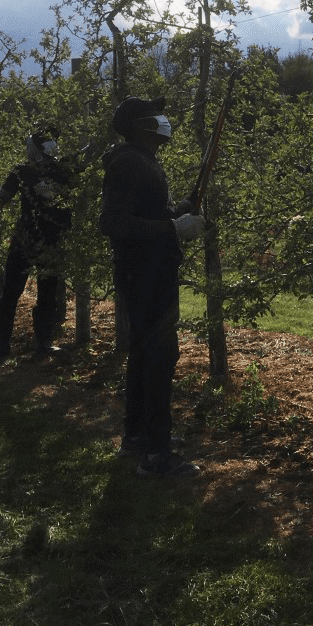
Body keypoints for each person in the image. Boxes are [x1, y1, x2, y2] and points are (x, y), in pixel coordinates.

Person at [99, 96, 206, 479]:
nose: (164, 121)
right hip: (144, 274)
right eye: (156, 116)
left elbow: (144, 214)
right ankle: (157, 455)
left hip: (146, 272)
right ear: (141, 125)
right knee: (159, 356)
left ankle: (136, 438)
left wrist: (177, 211)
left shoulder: (140, 160)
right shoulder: (129, 162)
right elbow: (112, 223)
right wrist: (172, 229)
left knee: (145, 354)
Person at [0, 127, 73, 364]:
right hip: (25, 240)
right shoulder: (21, 172)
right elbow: (2, 195)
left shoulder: (63, 171)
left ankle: (44, 344)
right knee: (10, 292)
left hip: (52, 242)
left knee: (48, 294)